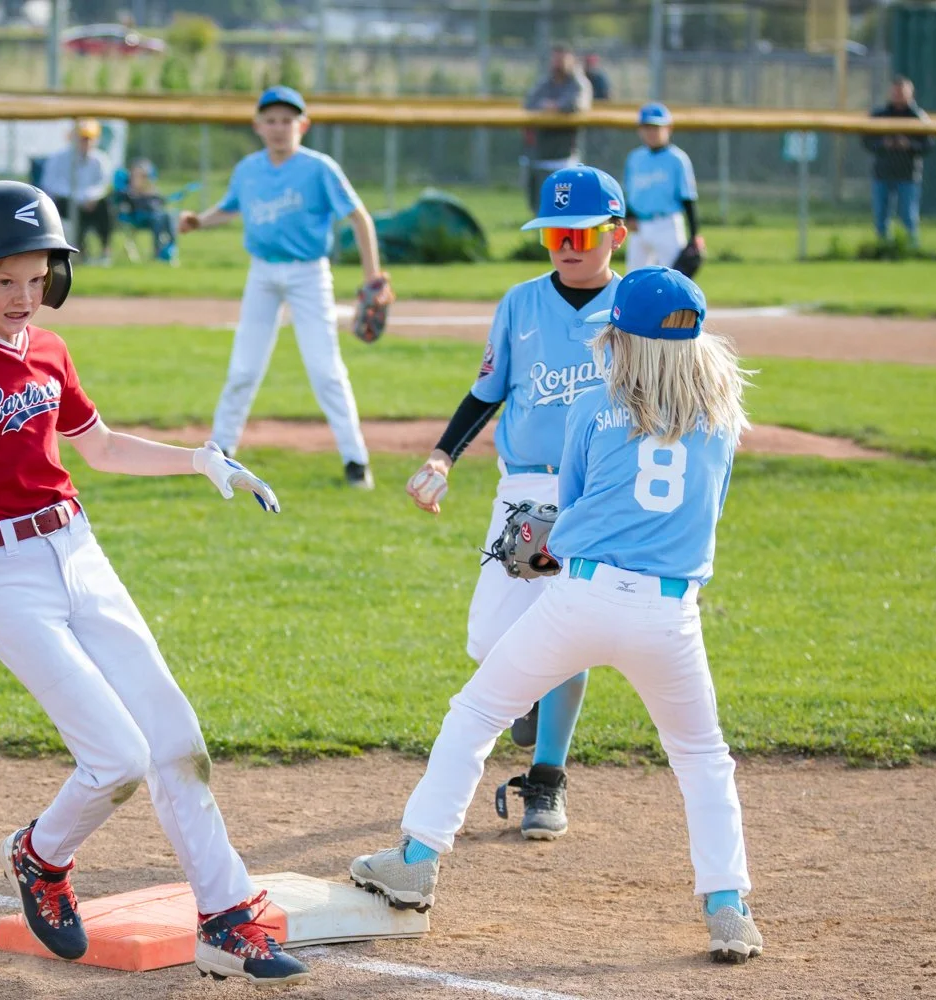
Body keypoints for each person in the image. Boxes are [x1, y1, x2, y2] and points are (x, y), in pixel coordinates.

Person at [0, 181, 311, 988]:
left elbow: (100, 445)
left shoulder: (47, 349)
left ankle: (227, 921)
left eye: (38, 277)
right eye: (4, 279)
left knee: (177, 741)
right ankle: (40, 857)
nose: (24, 295)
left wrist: (198, 459)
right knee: (117, 758)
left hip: (80, 553)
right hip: (7, 577)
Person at [352, 266, 764, 965]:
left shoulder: (596, 403)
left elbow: (569, 507)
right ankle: (728, 908)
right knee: (702, 760)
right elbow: (707, 512)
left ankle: (416, 862)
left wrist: (557, 539)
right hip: (671, 613)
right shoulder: (722, 418)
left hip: (583, 595)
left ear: (624, 339)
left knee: (476, 714)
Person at [402, 166, 625, 841]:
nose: (567, 246)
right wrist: (442, 456)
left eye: (581, 233)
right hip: (524, 491)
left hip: (597, 492)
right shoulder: (521, 303)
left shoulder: (634, 308)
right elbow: (487, 392)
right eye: (555, 234)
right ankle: (530, 694)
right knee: (490, 639)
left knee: (570, 628)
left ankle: (547, 778)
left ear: (615, 235)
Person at [178, 85, 393, 489]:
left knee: (325, 370)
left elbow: (359, 217)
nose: (279, 128)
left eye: (287, 120)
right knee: (243, 368)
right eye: (271, 120)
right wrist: (199, 221)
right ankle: (220, 453)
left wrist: (373, 277)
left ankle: (356, 459)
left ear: (303, 126)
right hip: (262, 273)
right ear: (258, 126)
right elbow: (230, 208)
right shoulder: (249, 169)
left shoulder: (319, 168)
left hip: (308, 273)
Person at [623, 102, 703, 270]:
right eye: (647, 127)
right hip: (639, 226)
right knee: (634, 277)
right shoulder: (634, 158)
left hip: (667, 224)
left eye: (656, 127)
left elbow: (688, 197)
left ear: (669, 128)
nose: (651, 132)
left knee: (673, 277)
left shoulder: (677, 159)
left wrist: (694, 234)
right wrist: (629, 216)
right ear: (640, 129)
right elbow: (630, 194)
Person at [863, 76, 934, 248]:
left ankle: (911, 249)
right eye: (895, 92)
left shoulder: (918, 116)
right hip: (883, 172)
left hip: (908, 174)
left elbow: (929, 144)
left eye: (902, 92)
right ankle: (882, 249)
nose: (898, 95)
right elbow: (866, 140)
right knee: (881, 217)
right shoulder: (880, 114)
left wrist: (909, 144)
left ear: (911, 94)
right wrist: (883, 143)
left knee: (908, 217)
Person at [522, 46, 592, 212]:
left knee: (563, 209)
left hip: (563, 157)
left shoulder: (578, 84)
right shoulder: (545, 83)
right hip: (539, 155)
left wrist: (555, 106)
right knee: (538, 207)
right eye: (555, 59)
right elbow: (529, 103)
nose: (557, 64)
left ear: (571, 61)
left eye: (562, 59)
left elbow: (577, 104)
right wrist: (547, 106)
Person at [38, 118, 115, 264]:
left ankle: (105, 249)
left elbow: (104, 184)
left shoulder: (100, 160)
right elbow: (50, 184)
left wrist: (90, 197)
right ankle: (80, 251)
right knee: (67, 207)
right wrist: (77, 198)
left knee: (105, 206)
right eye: (82, 139)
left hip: (91, 203)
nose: (85, 143)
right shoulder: (58, 158)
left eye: (89, 139)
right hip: (65, 202)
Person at [116, 158, 179, 263]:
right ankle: (158, 252)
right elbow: (123, 201)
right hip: (138, 217)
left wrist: (153, 193)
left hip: (155, 214)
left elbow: (160, 202)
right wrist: (137, 191)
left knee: (170, 215)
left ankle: (171, 249)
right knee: (158, 218)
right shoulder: (128, 190)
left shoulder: (150, 188)